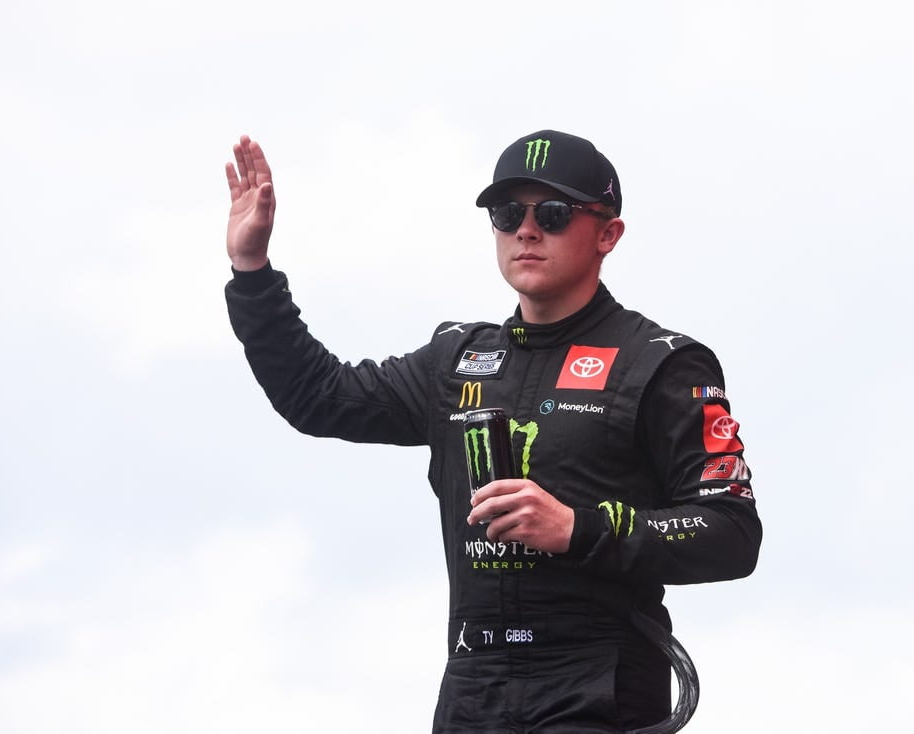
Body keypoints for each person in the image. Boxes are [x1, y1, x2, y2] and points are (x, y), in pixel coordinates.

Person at [224, 129, 762, 733]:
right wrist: (252, 272)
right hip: (473, 689)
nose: (526, 231)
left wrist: (577, 528)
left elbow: (732, 533)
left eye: (553, 214)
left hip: (599, 685)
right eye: (508, 214)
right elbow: (317, 397)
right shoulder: (455, 358)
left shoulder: (662, 362)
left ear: (608, 234)